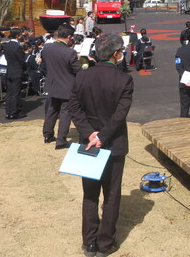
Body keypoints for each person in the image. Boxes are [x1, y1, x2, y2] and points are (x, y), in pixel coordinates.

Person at [68, 34, 133, 257]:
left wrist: (89, 134)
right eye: (121, 51)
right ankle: (105, 244)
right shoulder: (123, 79)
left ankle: (89, 243)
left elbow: (74, 109)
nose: (122, 54)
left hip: (90, 144)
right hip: (113, 143)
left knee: (90, 194)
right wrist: (102, 136)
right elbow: (119, 115)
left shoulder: (82, 76)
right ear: (116, 54)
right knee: (112, 194)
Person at [40, 23, 81, 149]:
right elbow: (78, 69)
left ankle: (47, 135)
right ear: (69, 37)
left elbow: (44, 64)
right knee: (65, 112)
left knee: (52, 110)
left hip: (53, 84)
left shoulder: (47, 48)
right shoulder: (70, 52)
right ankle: (61, 140)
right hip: (67, 86)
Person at [3, 29, 27, 120]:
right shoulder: (17, 47)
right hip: (17, 71)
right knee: (15, 93)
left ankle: (8, 112)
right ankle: (14, 112)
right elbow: (21, 60)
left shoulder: (6, 46)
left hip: (9, 70)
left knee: (9, 93)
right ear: (17, 36)